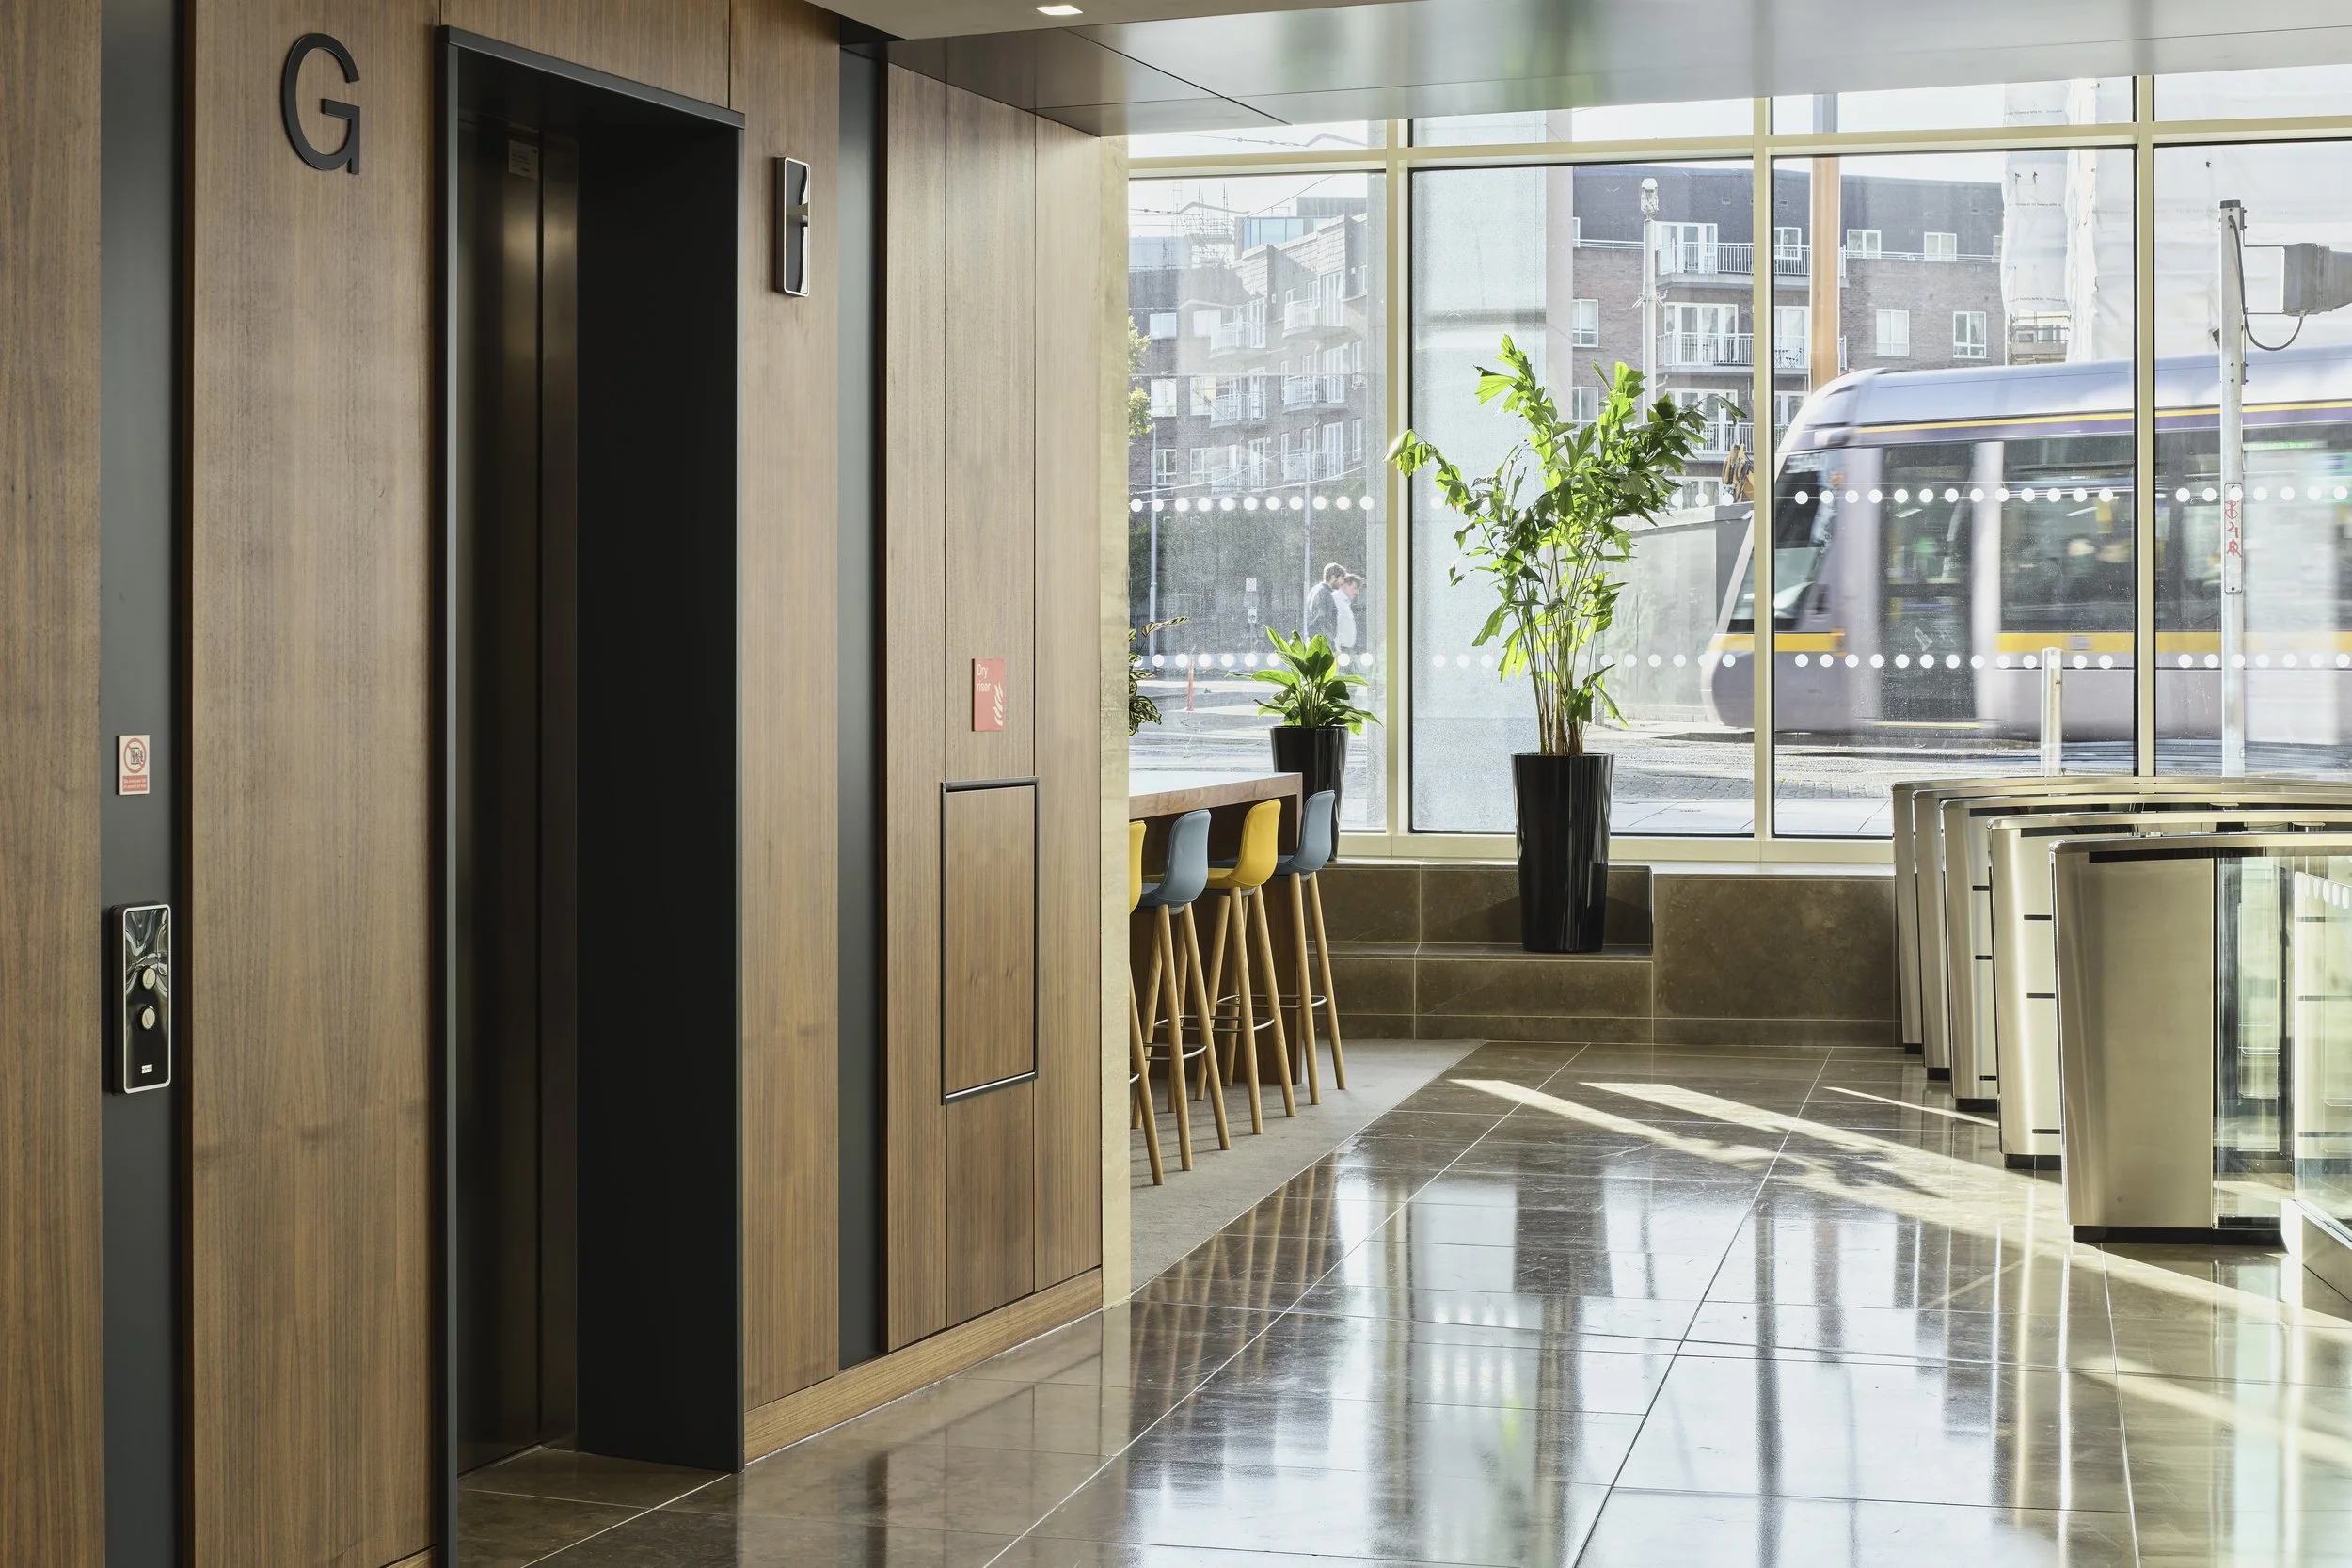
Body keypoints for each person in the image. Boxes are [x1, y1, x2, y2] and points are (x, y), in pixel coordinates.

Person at [1303, 562, 1344, 644]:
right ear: (1333, 578)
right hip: (1322, 644)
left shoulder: (1314, 590)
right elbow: (1324, 620)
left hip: (1314, 642)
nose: (1342, 582)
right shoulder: (1325, 593)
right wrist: (1331, 643)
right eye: (1341, 578)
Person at [1334, 572, 1363, 653]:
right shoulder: (1337, 600)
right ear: (1345, 585)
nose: (1356, 592)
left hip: (1345, 650)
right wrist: (1336, 649)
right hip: (1339, 650)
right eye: (1355, 588)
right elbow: (1333, 625)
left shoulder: (1344, 603)